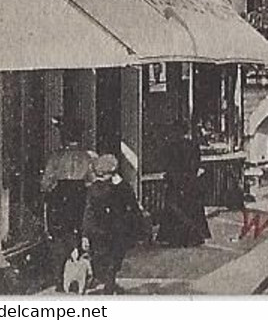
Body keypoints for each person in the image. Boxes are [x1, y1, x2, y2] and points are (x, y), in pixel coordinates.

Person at [41, 122, 96, 288]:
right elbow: (92, 180)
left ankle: (60, 278)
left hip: (60, 198)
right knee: (80, 233)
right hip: (79, 196)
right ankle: (80, 274)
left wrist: (48, 190)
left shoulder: (56, 156)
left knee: (59, 236)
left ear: (63, 137)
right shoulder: (88, 157)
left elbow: (46, 182)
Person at [81, 155, 146, 294]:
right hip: (117, 228)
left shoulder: (93, 189)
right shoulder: (122, 188)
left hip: (97, 229)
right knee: (114, 257)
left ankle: (105, 280)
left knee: (100, 256)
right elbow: (132, 205)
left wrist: (85, 234)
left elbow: (88, 212)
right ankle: (109, 284)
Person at [156, 118, 209, 246]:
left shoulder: (171, 146)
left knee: (175, 208)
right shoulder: (193, 145)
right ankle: (193, 236)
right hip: (190, 181)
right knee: (191, 208)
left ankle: (175, 238)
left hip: (175, 180)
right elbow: (196, 164)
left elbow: (166, 164)